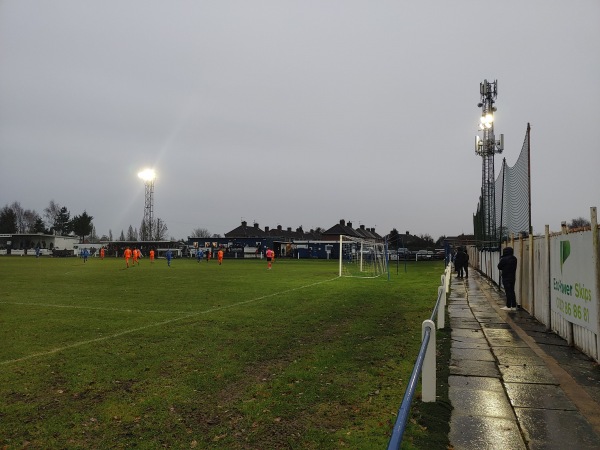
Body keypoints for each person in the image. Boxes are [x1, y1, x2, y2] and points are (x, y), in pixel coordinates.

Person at [498, 246, 518, 311]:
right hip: (512, 277)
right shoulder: (514, 258)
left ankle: (508, 306)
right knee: (512, 291)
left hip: (506, 277)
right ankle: (514, 306)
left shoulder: (504, 259)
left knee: (507, 291)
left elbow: (499, 267)